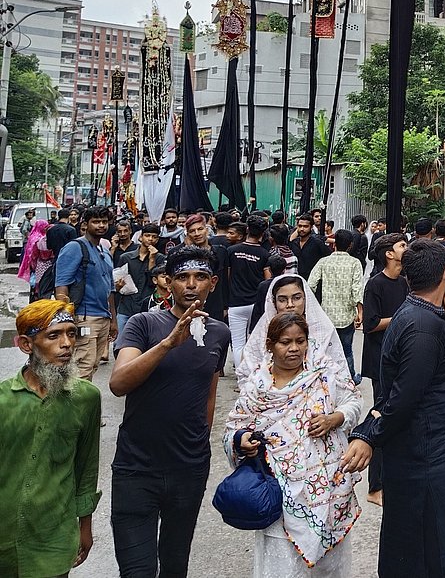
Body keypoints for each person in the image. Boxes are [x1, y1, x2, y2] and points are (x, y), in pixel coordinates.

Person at [346, 240, 445, 578]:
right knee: (433, 550)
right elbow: (403, 398)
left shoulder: (419, 315)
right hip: (427, 460)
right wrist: (370, 435)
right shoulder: (422, 327)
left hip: (430, 456)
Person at [109, 244, 233, 578]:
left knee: (175, 565)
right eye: (182, 277)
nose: (191, 285)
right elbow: (118, 383)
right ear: (168, 282)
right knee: (138, 571)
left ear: (213, 283)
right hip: (136, 470)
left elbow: (208, 394)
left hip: (188, 471)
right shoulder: (143, 324)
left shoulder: (219, 333)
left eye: (200, 277)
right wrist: (167, 344)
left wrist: (199, 446)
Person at [224, 310, 363, 577]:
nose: (294, 348)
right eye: (285, 342)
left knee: (329, 567)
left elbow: (353, 401)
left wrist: (334, 418)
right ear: (270, 345)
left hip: (327, 492)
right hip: (277, 495)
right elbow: (232, 429)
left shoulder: (323, 375)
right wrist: (241, 440)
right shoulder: (257, 387)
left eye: (300, 341)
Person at [0, 300, 101, 577]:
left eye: (71, 333)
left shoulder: (86, 398)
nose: (67, 344)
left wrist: (85, 527)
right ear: (26, 344)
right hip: (4, 534)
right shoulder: (3, 400)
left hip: (53, 536)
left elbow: (86, 468)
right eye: (53, 335)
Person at [359, 232, 410, 505]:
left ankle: (393, 479)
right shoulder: (375, 284)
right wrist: (402, 316)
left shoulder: (404, 282)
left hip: (400, 357)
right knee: (381, 417)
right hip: (380, 360)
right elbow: (370, 324)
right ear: (389, 254)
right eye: (402, 245)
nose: (406, 248)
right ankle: (374, 486)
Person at [55, 205, 115, 382]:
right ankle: (73, 400)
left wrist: (113, 319)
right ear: (85, 224)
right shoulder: (75, 247)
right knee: (82, 367)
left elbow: (110, 288)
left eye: (104, 221)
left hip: (103, 317)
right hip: (83, 317)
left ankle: (82, 398)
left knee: (93, 365)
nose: (101, 225)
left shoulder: (104, 250)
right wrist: (65, 319)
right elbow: (61, 285)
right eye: (96, 222)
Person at [309, 229, 365, 383]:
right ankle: (350, 377)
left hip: (326, 314)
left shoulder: (323, 262)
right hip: (346, 315)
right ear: (350, 245)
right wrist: (360, 311)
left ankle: (324, 376)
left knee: (326, 348)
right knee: (347, 350)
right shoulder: (355, 263)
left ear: (334, 244)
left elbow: (311, 284)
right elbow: (357, 289)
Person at [226, 215, 272, 370]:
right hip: (256, 304)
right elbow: (267, 280)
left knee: (238, 343)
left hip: (235, 303)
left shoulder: (232, 251)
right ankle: (254, 374)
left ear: (247, 229)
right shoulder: (265, 254)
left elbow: (227, 277)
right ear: (263, 233)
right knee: (255, 342)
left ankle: (241, 377)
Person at [115, 222, 161, 336]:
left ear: (157, 239)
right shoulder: (126, 257)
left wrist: (152, 260)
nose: (150, 239)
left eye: (154, 237)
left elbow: (153, 283)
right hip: (126, 306)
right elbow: (117, 280)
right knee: (120, 339)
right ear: (141, 237)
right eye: (147, 235)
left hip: (147, 307)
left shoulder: (160, 259)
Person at [17, 216, 53, 298]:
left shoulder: (33, 236)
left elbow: (32, 255)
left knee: (36, 285)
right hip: (44, 265)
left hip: (37, 265)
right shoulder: (42, 238)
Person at [290, 213, 331, 280]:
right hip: (296, 281)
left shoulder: (317, 243)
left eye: (305, 226)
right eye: (300, 226)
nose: (302, 229)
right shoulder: (294, 243)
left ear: (311, 227)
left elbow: (328, 258)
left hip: (312, 281)